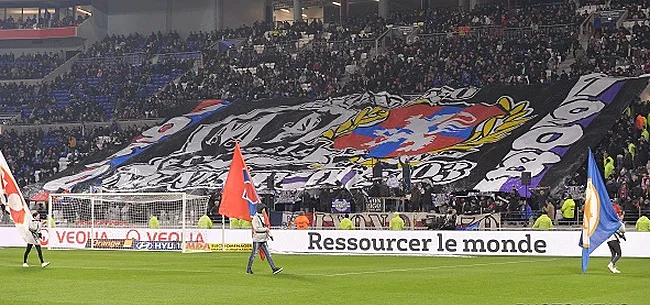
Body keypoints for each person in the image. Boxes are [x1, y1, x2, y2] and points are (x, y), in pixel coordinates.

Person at [246, 204, 282, 275]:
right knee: (253, 254)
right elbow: (256, 229)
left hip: (263, 239)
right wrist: (265, 229)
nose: (264, 210)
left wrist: (269, 235)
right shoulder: (255, 218)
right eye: (263, 209)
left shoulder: (262, 217)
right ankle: (248, 269)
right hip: (258, 239)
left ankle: (273, 268)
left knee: (268, 254)